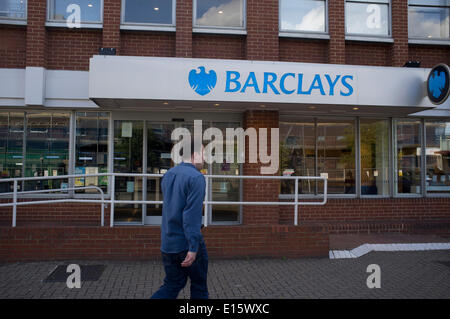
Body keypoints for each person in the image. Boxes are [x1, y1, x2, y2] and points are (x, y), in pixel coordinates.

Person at [151, 136, 208, 299]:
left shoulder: (168, 175)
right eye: (203, 154)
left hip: (168, 243)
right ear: (195, 154)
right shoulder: (196, 178)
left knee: (172, 285)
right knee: (199, 287)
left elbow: (171, 209)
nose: (204, 159)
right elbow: (191, 216)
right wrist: (193, 247)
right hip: (186, 244)